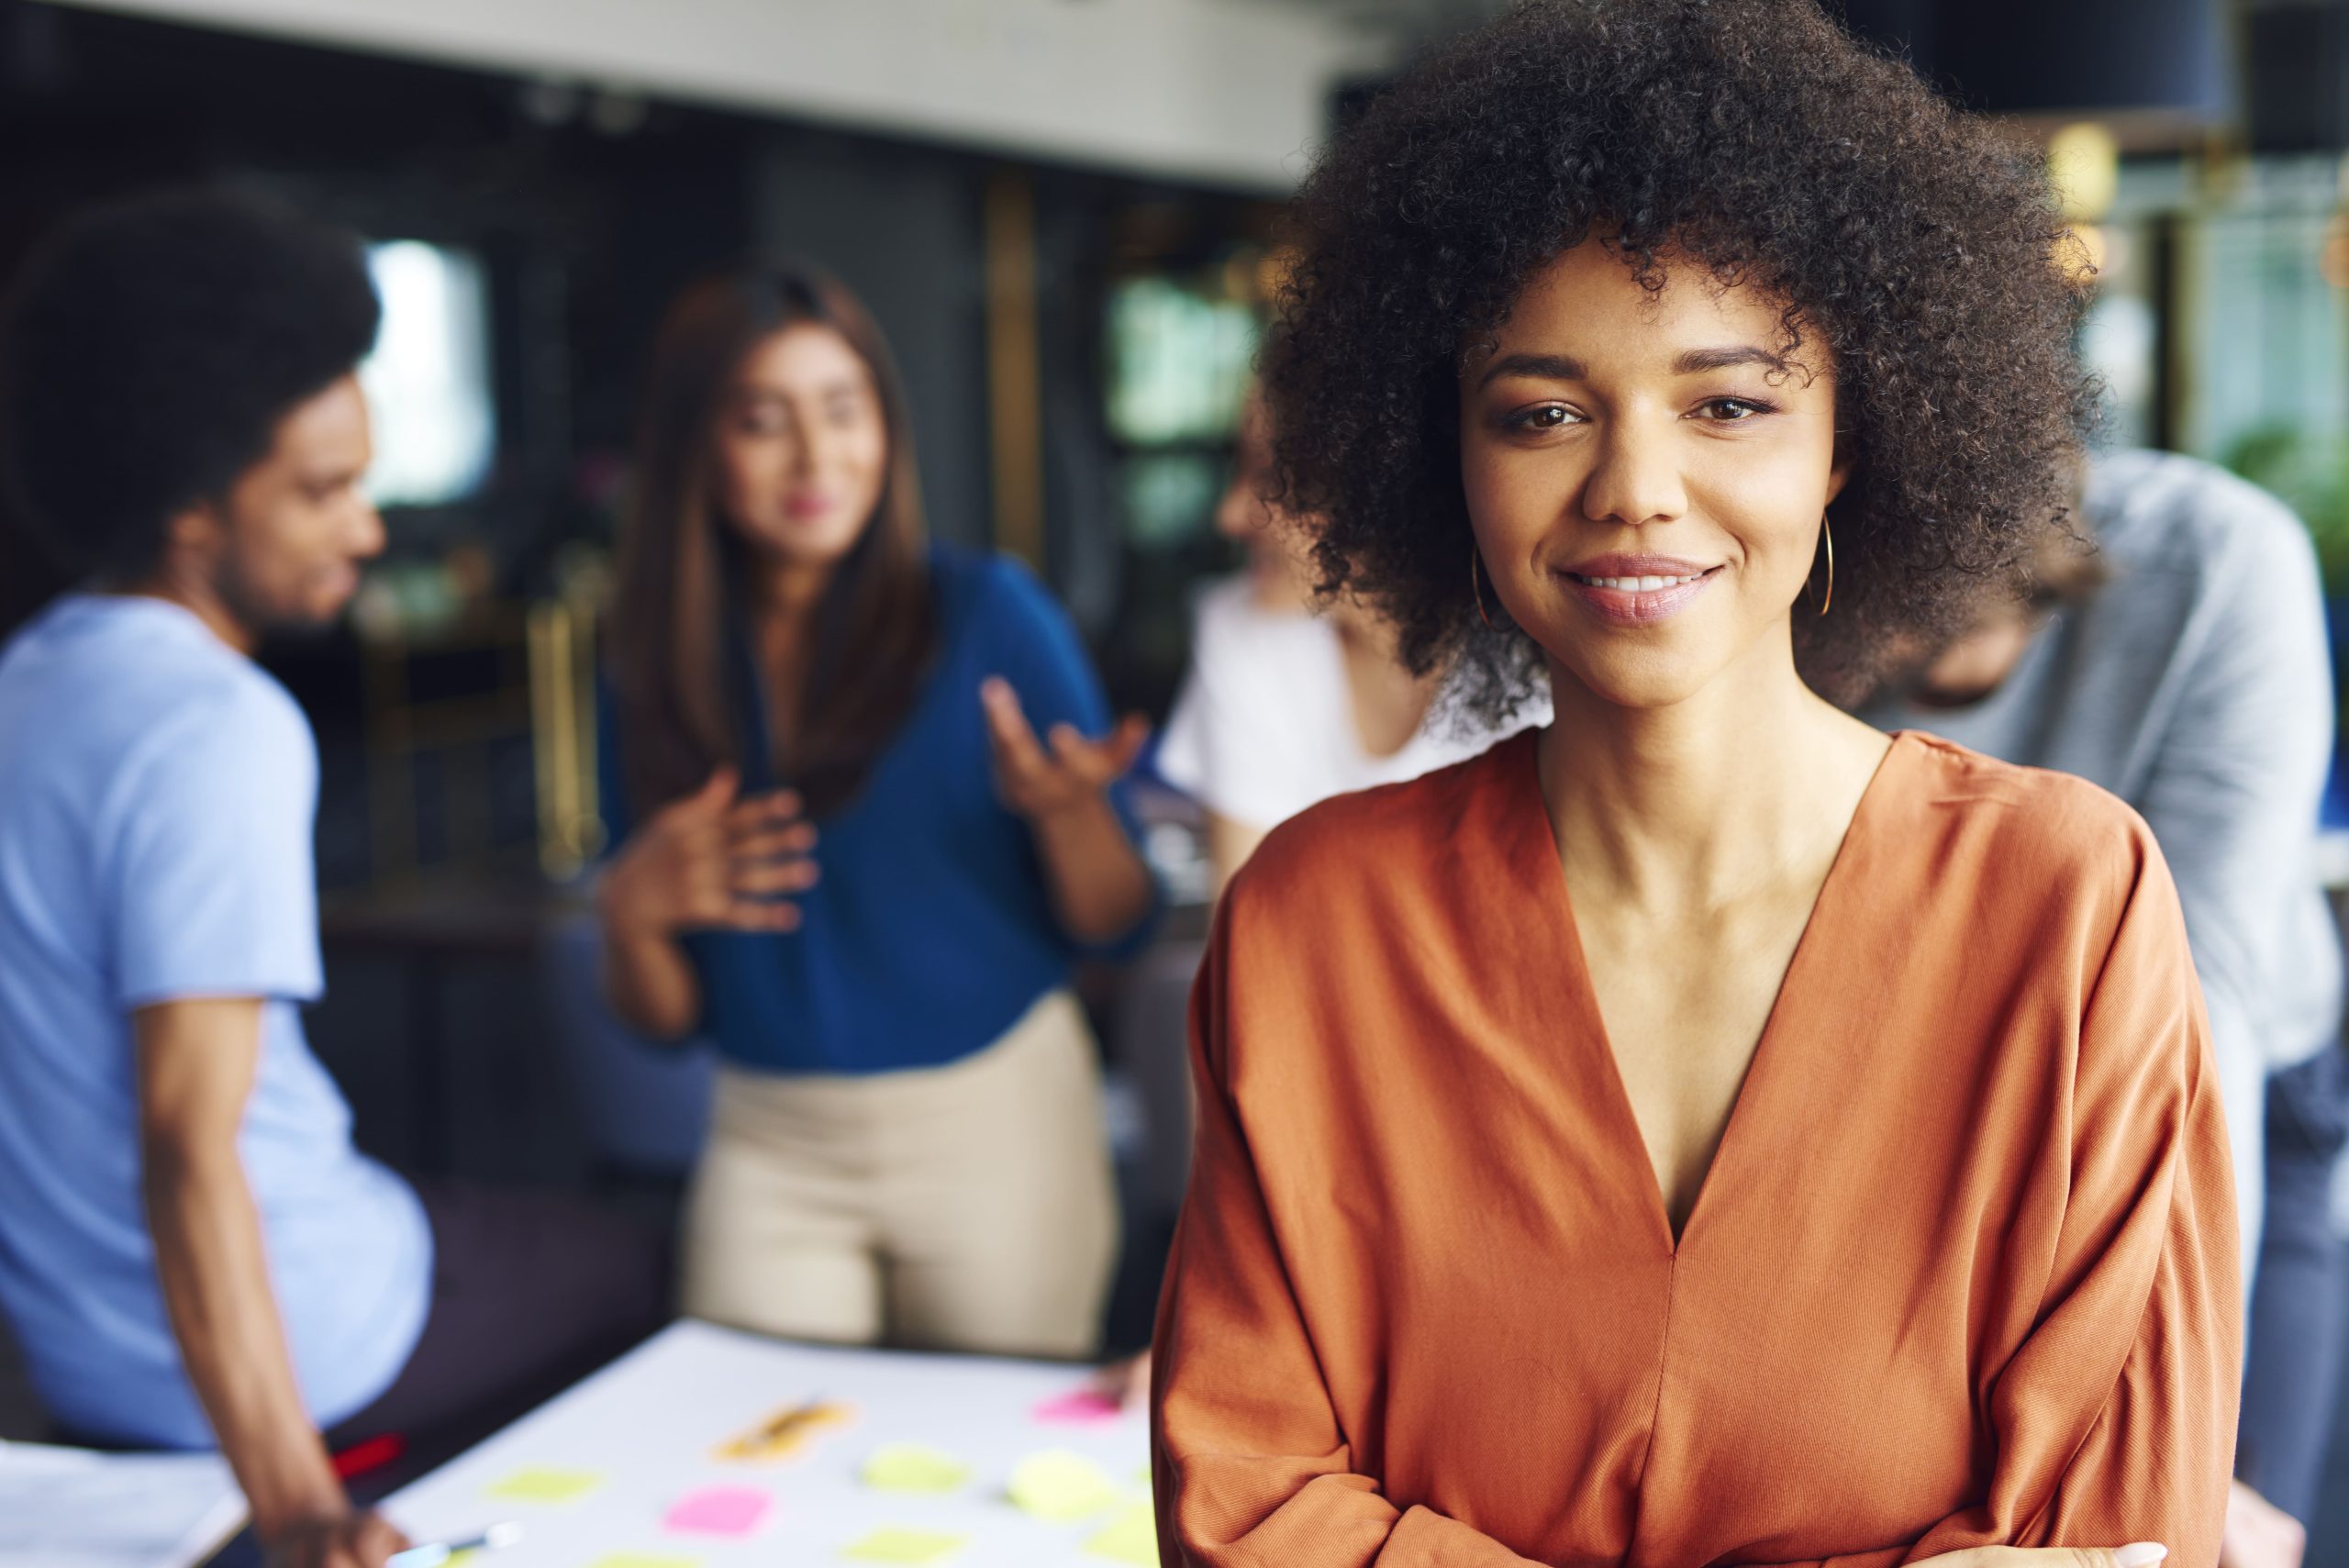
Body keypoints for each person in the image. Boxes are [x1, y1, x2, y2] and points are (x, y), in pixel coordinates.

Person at [1150, 4, 2237, 1566]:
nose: (1635, 488)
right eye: (1541, 411)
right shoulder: (1314, 922)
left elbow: (2117, 1528)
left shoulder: (2064, 904)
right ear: (1440, 450)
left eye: (1729, 403)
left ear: (1852, 436)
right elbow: (1244, 1501)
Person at [0, 189, 664, 1568]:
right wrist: (298, 1505)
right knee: (650, 1266)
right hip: (306, 1342)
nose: (365, 530)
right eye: (321, 490)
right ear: (190, 505)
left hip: (83, 1359)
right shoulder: (217, 724)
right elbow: (194, 1148)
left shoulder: (25, 683)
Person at [598, 260, 1159, 1360]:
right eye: (763, 420)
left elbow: (1118, 922)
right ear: (697, 450)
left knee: (991, 1493)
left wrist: (1069, 816)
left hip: (993, 1120)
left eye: (843, 411)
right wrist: (630, 910)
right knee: (752, 1486)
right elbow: (664, 1022)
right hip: (768, 1137)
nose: (817, 457)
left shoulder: (988, 612)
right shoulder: (654, 661)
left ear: (885, 428)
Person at [1859, 449, 2345, 1568]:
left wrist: (2185, 1440)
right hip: (1957, 1092)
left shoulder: (2219, 561)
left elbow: (2201, 999)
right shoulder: (1807, 606)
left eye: (1949, 671)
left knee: (2231, 1507)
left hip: (2238, 1087)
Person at [1155, 389, 1543, 895]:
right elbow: (1248, 942)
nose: (1228, 516)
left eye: (1273, 480)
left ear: (1384, 492)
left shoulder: (1538, 662)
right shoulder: (1239, 629)